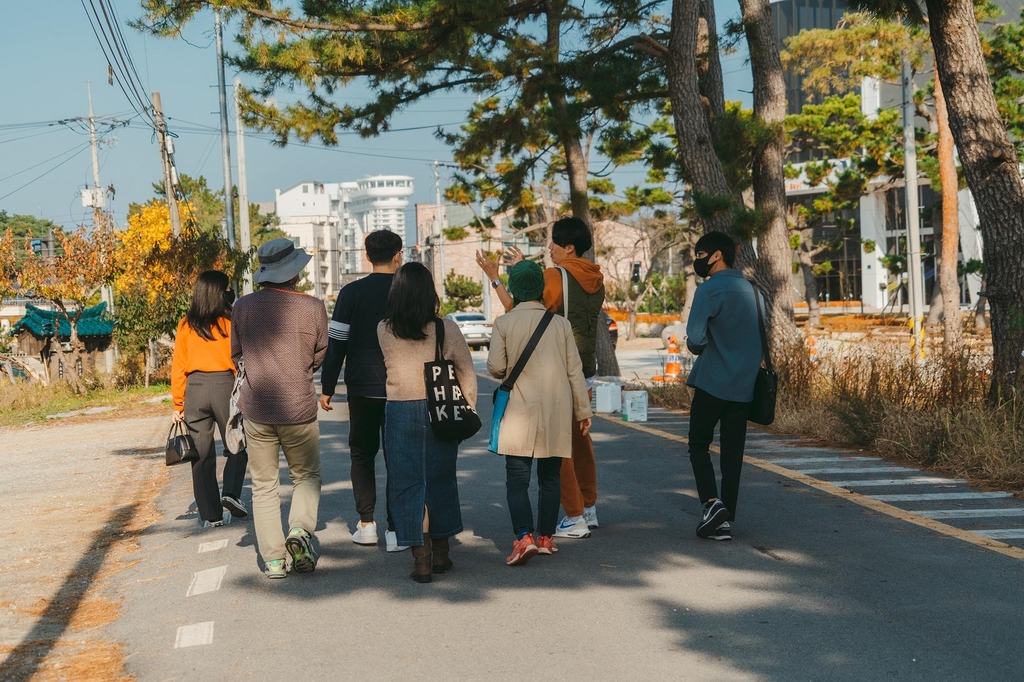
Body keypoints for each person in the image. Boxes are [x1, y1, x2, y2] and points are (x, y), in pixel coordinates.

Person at [477, 215, 605, 539]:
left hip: (557, 370)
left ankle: (574, 515)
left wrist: (496, 279)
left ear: (569, 247)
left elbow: (517, 310)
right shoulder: (595, 278)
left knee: (556, 448)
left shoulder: (555, 274)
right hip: (585, 368)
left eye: (554, 242)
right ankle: (589, 509)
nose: (550, 247)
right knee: (581, 444)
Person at [231, 238, 328, 578]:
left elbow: (236, 355)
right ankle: (300, 531)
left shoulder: (242, 307)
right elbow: (319, 355)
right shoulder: (313, 307)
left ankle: (273, 561)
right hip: (299, 407)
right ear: (295, 273)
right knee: (306, 476)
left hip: (257, 408)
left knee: (264, 486)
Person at [487, 260, 593, 566]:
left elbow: (495, 366)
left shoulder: (504, 323)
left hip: (519, 410)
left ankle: (523, 537)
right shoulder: (559, 324)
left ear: (516, 289)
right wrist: (583, 411)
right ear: (539, 289)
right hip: (556, 411)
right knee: (550, 477)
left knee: (517, 478)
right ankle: (546, 538)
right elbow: (575, 371)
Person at [377, 262, 476, 583]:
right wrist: (467, 409)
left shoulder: (384, 329)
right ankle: (443, 553)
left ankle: (421, 559)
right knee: (440, 479)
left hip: (399, 412)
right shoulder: (446, 329)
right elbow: (466, 372)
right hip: (441, 409)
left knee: (406, 482)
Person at [319, 230, 406, 552]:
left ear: (366, 256)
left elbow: (337, 343)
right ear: (398, 253)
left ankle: (367, 524)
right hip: (404, 387)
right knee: (399, 456)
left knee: (362, 454)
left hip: (363, 386)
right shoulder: (407, 290)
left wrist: (327, 387)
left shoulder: (351, 292)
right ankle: (397, 529)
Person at [684, 231, 762, 541]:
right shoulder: (754, 291)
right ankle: (725, 517)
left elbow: (695, 339)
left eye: (701, 254)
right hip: (744, 386)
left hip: (712, 382)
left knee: (698, 444)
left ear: (716, 255)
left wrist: (702, 344)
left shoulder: (709, 290)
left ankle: (712, 504)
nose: (698, 260)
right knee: (732, 453)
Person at [171, 270, 249, 528]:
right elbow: (240, 359)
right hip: (225, 386)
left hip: (194, 389)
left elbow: (179, 365)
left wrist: (178, 404)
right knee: (236, 442)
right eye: (227, 288)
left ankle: (210, 515)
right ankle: (230, 493)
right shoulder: (231, 321)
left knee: (201, 455)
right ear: (220, 293)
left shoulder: (185, 324)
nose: (230, 291)